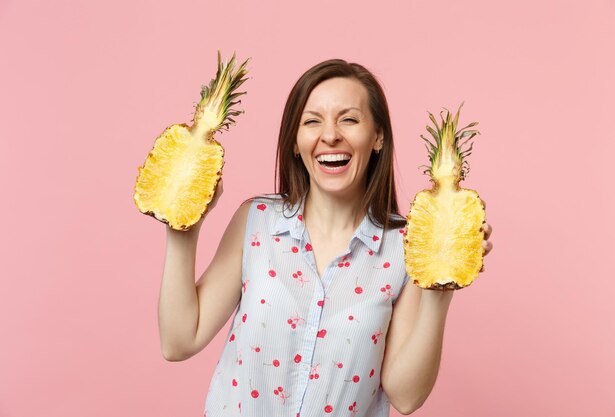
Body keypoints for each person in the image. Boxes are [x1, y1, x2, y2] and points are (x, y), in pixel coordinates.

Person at [158, 59, 493, 417]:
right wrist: (183, 226)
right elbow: (179, 341)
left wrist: (440, 286)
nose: (330, 135)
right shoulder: (257, 222)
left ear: (378, 136)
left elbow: (406, 396)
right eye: (312, 121)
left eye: (349, 119)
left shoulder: (405, 247)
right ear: (295, 142)